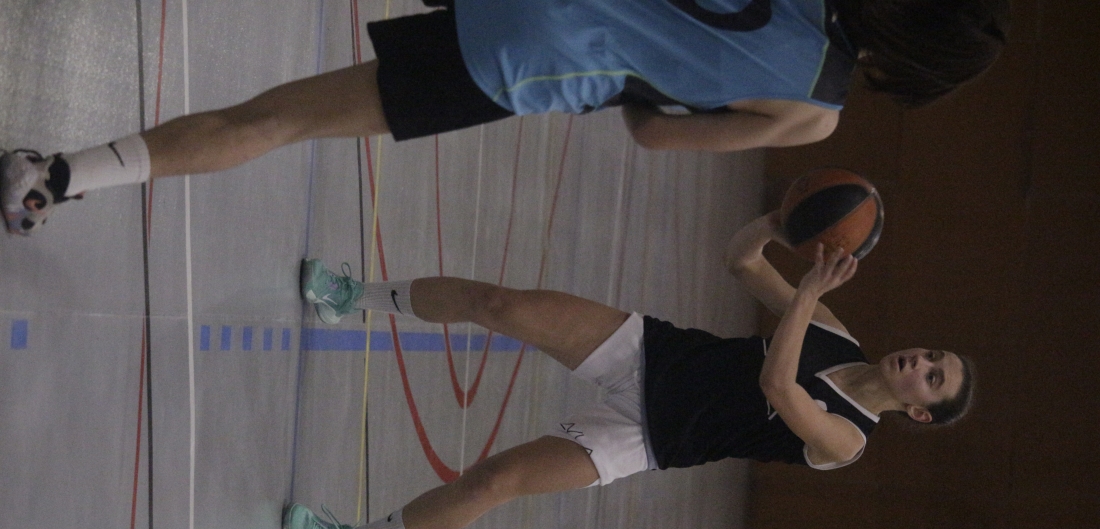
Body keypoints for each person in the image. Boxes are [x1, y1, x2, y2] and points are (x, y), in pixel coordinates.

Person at [281, 212, 974, 529]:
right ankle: (350, 295)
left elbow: (777, 383)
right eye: (932, 354)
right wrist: (778, 223)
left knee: (493, 481)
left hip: (645, 436)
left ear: (919, 410)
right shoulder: (837, 334)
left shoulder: (847, 441)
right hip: (652, 352)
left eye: (932, 376)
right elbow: (741, 262)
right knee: (500, 304)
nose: (920, 360)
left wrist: (809, 296)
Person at [1, 0, 1008, 235]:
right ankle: (56, 178)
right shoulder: (812, 114)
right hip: (528, 57)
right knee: (273, 120)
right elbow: (656, 132)